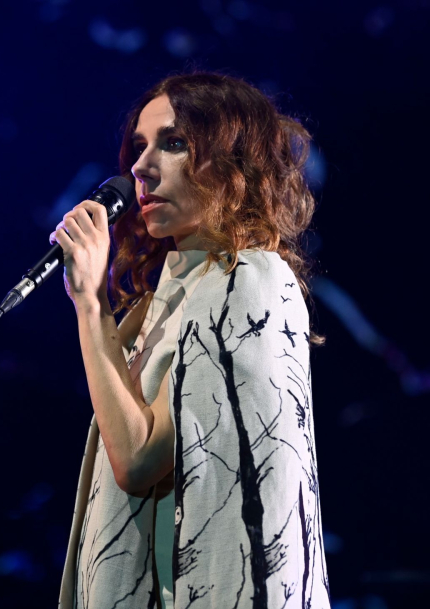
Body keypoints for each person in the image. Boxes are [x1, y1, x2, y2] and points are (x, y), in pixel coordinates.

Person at [55, 72, 331, 608]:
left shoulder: (251, 281)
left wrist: (90, 306)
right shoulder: (153, 307)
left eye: (174, 143)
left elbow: (137, 461)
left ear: (235, 163)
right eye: (139, 146)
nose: (140, 166)